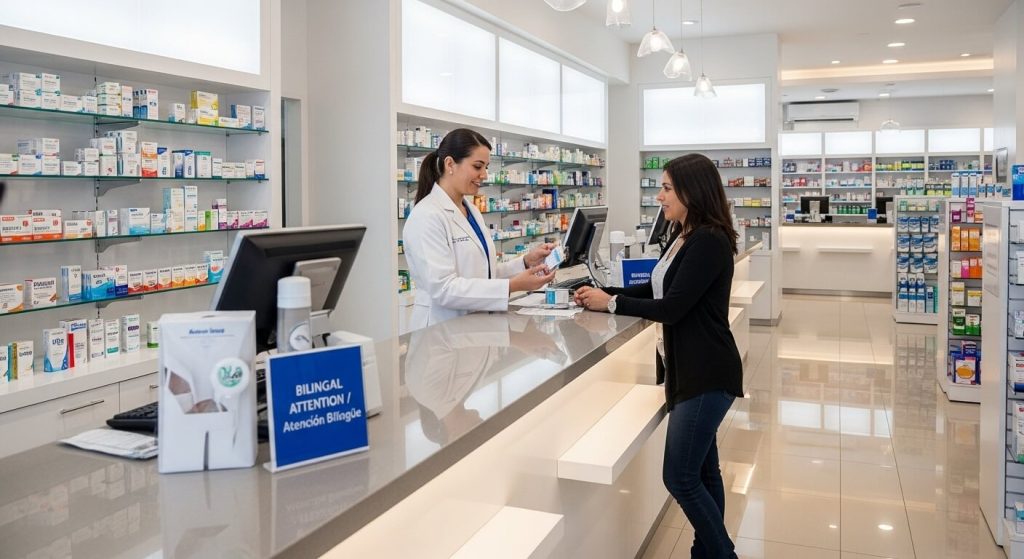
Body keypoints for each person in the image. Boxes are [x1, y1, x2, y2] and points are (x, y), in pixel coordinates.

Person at [574, 154, 743, 559]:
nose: (660, 195)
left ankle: (723, 554)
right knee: (704, 471)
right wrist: (610, 296)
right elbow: (658, 291)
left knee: (680, 477)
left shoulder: (708, 240)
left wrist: (613, 306)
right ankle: (707, 553)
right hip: (689, 371)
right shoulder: (684, 235)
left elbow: (674, 308)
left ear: (691, 191)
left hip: (706, 373)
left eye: (667, 188)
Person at [403, 128, 556, 330]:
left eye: (486, 167)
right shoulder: (427, 215)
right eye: (477, 166)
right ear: (450, 164)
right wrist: (513, 286)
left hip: (475, 329)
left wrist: (525, 262)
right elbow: (444, 289)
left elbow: (483, 274)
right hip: (440, 333)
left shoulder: (471, 210)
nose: (484, 175)